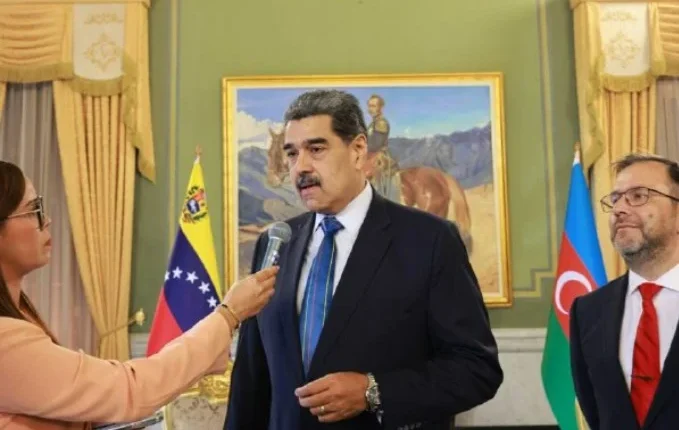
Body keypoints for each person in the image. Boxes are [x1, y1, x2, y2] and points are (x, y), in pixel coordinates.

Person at [225, 89, 502, 430]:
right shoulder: (275, 242)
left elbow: (477, 369)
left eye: (316, 149)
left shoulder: (430, 240)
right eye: (292, 153)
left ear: (358, 150)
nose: (301, 167)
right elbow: (251, 379)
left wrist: (374, 391)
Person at [0, 160, 278, 430]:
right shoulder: (5, 341)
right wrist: (228, 315)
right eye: (33, 209)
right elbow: (132, 389)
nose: (47, 220)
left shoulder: (19, 316)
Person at [570, 153, 679, 430]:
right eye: (616, 198)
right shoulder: (588, 311)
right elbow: (596, 413)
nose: (619, 209)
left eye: (638, 196)